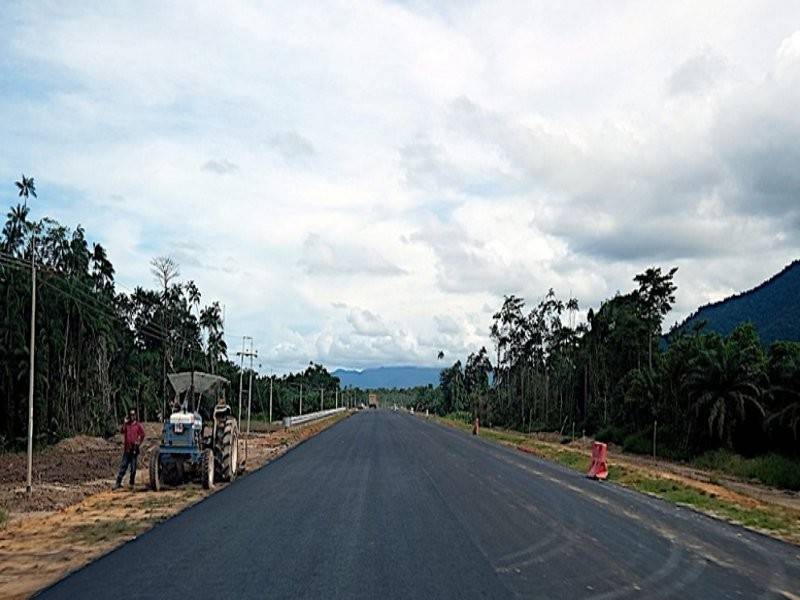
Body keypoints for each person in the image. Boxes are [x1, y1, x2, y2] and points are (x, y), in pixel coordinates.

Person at [114, 408, 145, 490]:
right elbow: (122, 431)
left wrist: (139, 443)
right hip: (127, 450)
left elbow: (142, 435)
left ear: (135, 415)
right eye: (131, 415)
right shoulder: (127, 425)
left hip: (134, 450)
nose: (132, 416)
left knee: (133, 469)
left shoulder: (138, 425)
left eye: (133, 414)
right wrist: (124, 422)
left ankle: (131, 483)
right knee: (123, 466)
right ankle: (118, 483)